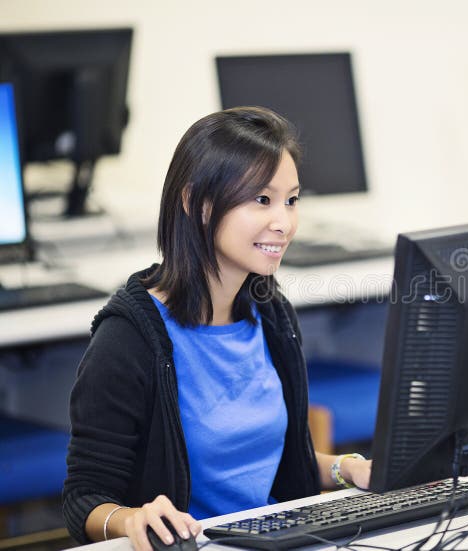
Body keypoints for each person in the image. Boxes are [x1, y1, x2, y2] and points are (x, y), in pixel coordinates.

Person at [62, 106, 372, 550]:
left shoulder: (272, 316)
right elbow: (83, 499)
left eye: (292, 200)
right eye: (262, 200)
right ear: (197, 203)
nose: (284, 223)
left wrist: (349, 468)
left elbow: (281, 463)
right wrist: (131, 519)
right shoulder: (129, 337)